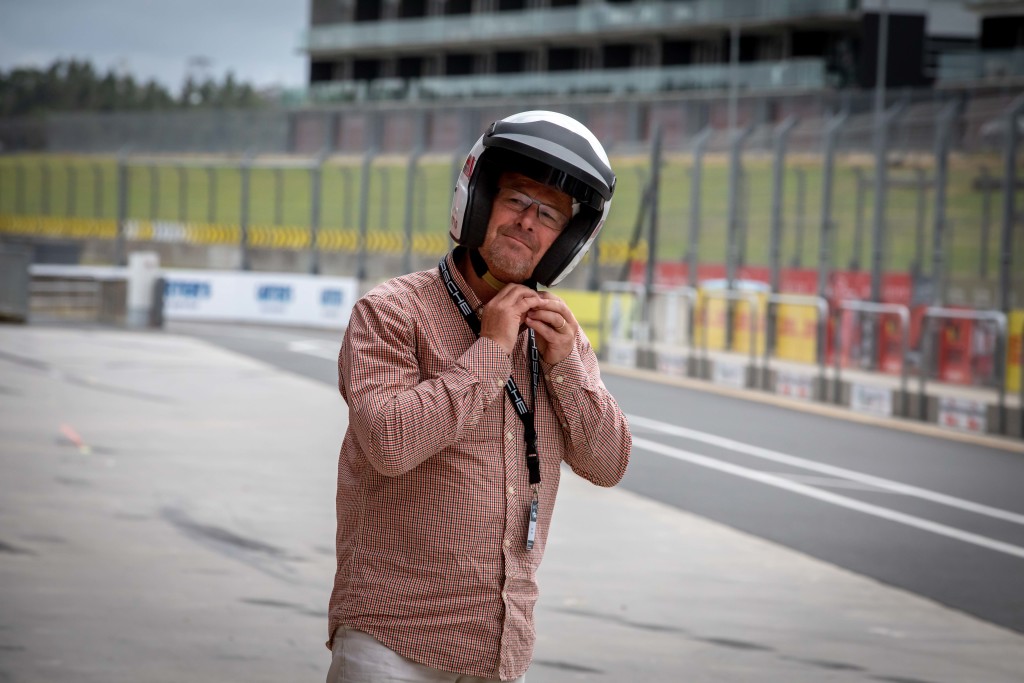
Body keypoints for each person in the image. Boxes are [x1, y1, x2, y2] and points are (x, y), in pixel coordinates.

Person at [326, 110, 632, 682]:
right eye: (516, 199)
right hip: (390, 639)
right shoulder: (391, 312)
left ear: (565, 240)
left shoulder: (557, 337)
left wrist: (567, 367)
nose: (528, 222)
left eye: (549, 214)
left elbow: (608, 463)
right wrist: (490, 350)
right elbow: (389, 443)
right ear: (480, 199)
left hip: (499, 652)